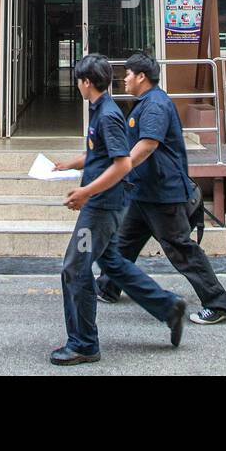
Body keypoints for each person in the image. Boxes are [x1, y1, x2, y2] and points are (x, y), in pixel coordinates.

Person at [50, 53, 187, 366]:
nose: (78, 86)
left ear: (86, 82)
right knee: (112, 262)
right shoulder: (101, 110)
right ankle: (168, 307)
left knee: (75, 268)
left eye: (79, 81)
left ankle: (84, 343)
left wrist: (85, 192)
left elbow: (123, 163)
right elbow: (102, 154)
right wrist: (68, 165)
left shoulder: (108, 115)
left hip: (101, 207)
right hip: (105, 203)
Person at [96, 53, 226, 325]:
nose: (123, 79)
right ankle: (108, 287)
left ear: (141, 77)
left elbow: (148, 144)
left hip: (162, 193)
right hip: (143, 191)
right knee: (123, 242)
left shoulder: (155, 105)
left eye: (128, 74)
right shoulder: (145, 103)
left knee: (180, 249)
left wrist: (119, 171)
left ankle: (217, 303)